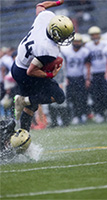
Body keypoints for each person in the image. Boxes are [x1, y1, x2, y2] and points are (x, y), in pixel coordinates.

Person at [12, 0, 73, 131]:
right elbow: (31, 71)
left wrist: (57, 2)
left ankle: (22, 135)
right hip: (25, 73)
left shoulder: (45, 17)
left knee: (31, 107)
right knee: (59, 97)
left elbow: (40, 5)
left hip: (18, 64)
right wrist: (50, 74)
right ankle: (23, 101)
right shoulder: (48, 49)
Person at [61, 33, 90, 124]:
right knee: (71, 99)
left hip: (81, 77)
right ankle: (75, 116)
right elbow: (64, 66)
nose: (77, 43)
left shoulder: (85, 51)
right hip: (70, 78)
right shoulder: (67, 51)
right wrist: (65, 77)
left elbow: (87, 66)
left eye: (78, 41)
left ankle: (82, 115)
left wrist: (87, 79)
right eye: (75, 41)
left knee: (82, 98)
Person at [84, 26, 107, 123]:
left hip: (104, 72)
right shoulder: (88, 46)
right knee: (96, 95)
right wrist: (88, 77)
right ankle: (99, 113)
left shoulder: (105, 44)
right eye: (93, 35)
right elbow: (88, 63)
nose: (95, 36)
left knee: (106, 94)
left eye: (96, 34)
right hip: (94, 73)